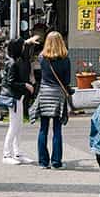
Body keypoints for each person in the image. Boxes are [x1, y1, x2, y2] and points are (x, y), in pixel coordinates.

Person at [34, 31, 73, 171]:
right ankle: (56, 162)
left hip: (44, 93)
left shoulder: (42, 58)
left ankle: (43, 162)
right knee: (57, 129)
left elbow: (39, 76)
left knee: (43, 129)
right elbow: (67, 80)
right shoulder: (65, 59)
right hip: (58, 95)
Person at [1, 38, 34, 164]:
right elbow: (11, 82)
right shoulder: (12, 63)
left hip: (18, 97)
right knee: (14, 126)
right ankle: (6, 154)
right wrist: (25, 85)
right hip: (14, 97)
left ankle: (17, 153)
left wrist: (28, 42)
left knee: (18, 125)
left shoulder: (16, 61)